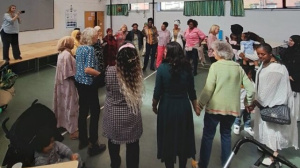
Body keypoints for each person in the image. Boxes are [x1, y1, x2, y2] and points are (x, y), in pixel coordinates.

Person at [197, 41, 255, 168]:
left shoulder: (215, 66)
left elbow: (208, 89)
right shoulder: (238, 67)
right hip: (231, 110)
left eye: (214, 51)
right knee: (226, 135)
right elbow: (250, 89)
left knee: (208, 136)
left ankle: (202, 165)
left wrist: (200, 105)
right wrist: (248, 103)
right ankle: (225, 165)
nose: (212, 53)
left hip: (214, 109)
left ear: (220, 52)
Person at [248, 43, 298, 166]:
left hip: (272, 104)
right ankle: (267, 148)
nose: (260, 56)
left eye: (263, 54)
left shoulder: (276, 69)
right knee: (266, 128)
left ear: (270, 53)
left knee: (273, 130)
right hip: (264, 103)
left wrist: (255, 103)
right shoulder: (266, 63)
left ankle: (273, 156)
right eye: (258, 54)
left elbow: (268, 90)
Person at [152, 42, 200, 168]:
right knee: (183, 138)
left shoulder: (162, 68)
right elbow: (191, 90)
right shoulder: (187, 68)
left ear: (171, 53)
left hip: (167, 107)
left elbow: (158, 91)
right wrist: (195, 106)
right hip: (183, 107)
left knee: (168, 139)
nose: (164, 52)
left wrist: (154, 105)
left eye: (166, 51)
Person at [103, 42, 143, 168]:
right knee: (133, 145)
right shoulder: (136, 72)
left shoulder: (109, 71)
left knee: (113, 143)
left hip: (113, 116)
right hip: (131, 115)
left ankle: (115, 163)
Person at [74, 27, 106, 156]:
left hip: (79, 83)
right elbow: (88, 69)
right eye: (95, 36)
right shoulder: (90, 49)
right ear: (90, 37)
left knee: (82, 111)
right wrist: (102, 75)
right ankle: (94, 144)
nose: (97, 37)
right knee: (95, 112)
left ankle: (83, 140)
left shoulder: (80, 48)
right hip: (89, 84)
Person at [53, 36, 79, 140]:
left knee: (62, 104)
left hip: (61, 83)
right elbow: (69, 73)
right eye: (72, 42)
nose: (74, 44)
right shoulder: (67, 55)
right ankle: (72, 129)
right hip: (68, 84)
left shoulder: (61, 54)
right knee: (70, 105)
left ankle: (62, 123)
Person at [281, 35, 300, 121]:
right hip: (286, 77)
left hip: (296, 80)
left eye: (292, 41)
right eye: (289, 40)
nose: (290, 42)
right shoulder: (287, 52)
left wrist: (295, 77)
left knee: (296, 100)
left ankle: (295, 117)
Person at [233, 65, 255, 136]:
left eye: (250, 74)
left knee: (247, 115)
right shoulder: (239, 83)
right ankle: (237, 125)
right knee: (238, 115)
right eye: (248, 74)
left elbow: (253, 91)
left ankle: (247, 126)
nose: (250, 76)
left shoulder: (252, 82)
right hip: (240, 104)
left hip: (248, 104)